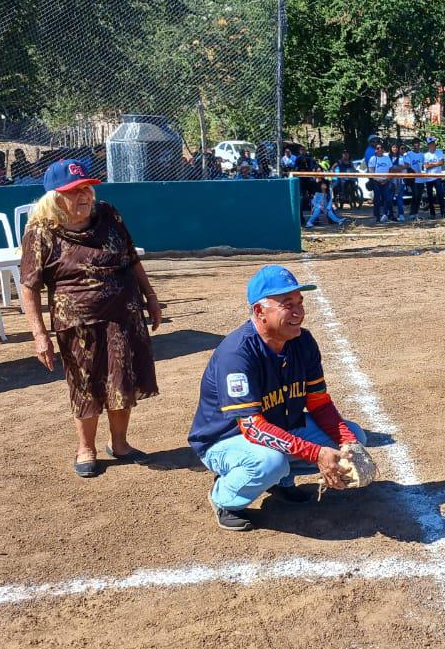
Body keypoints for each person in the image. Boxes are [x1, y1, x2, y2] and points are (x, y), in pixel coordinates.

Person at [188, 265, 367, 531]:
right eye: (287, 304)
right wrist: (315, 453)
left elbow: (318, 402)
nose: (298, 312)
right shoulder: (236, 354)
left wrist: (348, 442)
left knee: (354, 437)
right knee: (269, 462)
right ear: (260, 311)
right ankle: (224, 497)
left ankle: (281, 482)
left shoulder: (302, 342)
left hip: (280, 426)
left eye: (299, 302)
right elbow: (251, 427)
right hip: (226, 439)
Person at [20, 159, 162, 478]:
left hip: (123, 313)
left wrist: (151, 297)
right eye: (75, 191)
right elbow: (29, 286)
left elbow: (131, 258)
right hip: (76, 320)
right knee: (85, 383)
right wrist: (39, 334)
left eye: (87, 188)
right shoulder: (41, 231)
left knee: (121, 376)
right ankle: (86, 448)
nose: (84, 195)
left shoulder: (109, 215)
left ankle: (120, 443)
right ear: (55, 198)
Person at [368, 142, 395, 223]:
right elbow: (371, 171)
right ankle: (377, 216)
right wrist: (378, 180)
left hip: (386, 182)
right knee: (377, 200)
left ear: (383, 150)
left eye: (381, 148)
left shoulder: (387, 158)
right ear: (375, 150)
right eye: (377, 148)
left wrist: (387, 179)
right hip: (376, 182)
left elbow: (390, 169)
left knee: (388, 199)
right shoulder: (372, 159)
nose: (379, 150)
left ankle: (387, 215)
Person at [421, 136, 445, 218]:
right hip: (428, 178)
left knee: (440, 195)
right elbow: (426, 166)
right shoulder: (426, 155)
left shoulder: (439, 152)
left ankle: (443, 212)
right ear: (428, 145)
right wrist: (435, 164)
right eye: (430, 144)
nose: (432, 145)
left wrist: (432, 164)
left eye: (433, 143)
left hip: (437, 176)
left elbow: (442, 162)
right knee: (430, 196)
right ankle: (432, 213)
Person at [401, 139, 426, 218]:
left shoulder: (422, 155)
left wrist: (423, 168)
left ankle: (416, 213)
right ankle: (412, 213)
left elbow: (424, 166)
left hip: (421, 178)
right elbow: (406, 164)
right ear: (413, 146)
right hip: (413, 179)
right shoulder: (409, 154)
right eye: (415, 146)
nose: (416, 147)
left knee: (419, 196)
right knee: (415, 195)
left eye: (418, 145)